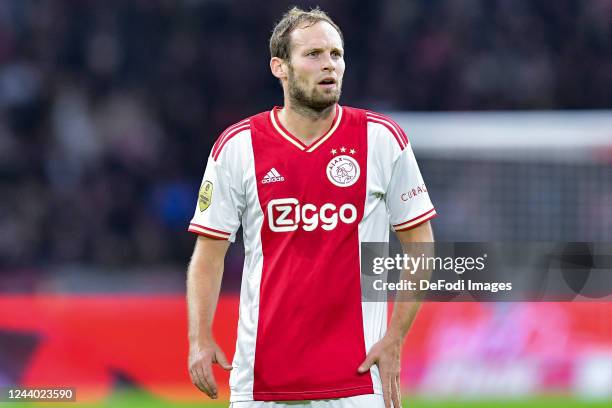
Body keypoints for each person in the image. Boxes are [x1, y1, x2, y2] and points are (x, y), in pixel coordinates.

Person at [186, 7, 436, 408]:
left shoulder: (382, 139)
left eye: (336, 55)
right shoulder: (237, 147)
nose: (329, 65)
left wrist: (395, 338)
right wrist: (199, 338)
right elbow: (208, 255)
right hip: (262, 384)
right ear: (279, 67)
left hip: (356, 380)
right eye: (314, 54)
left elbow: (420, 245)